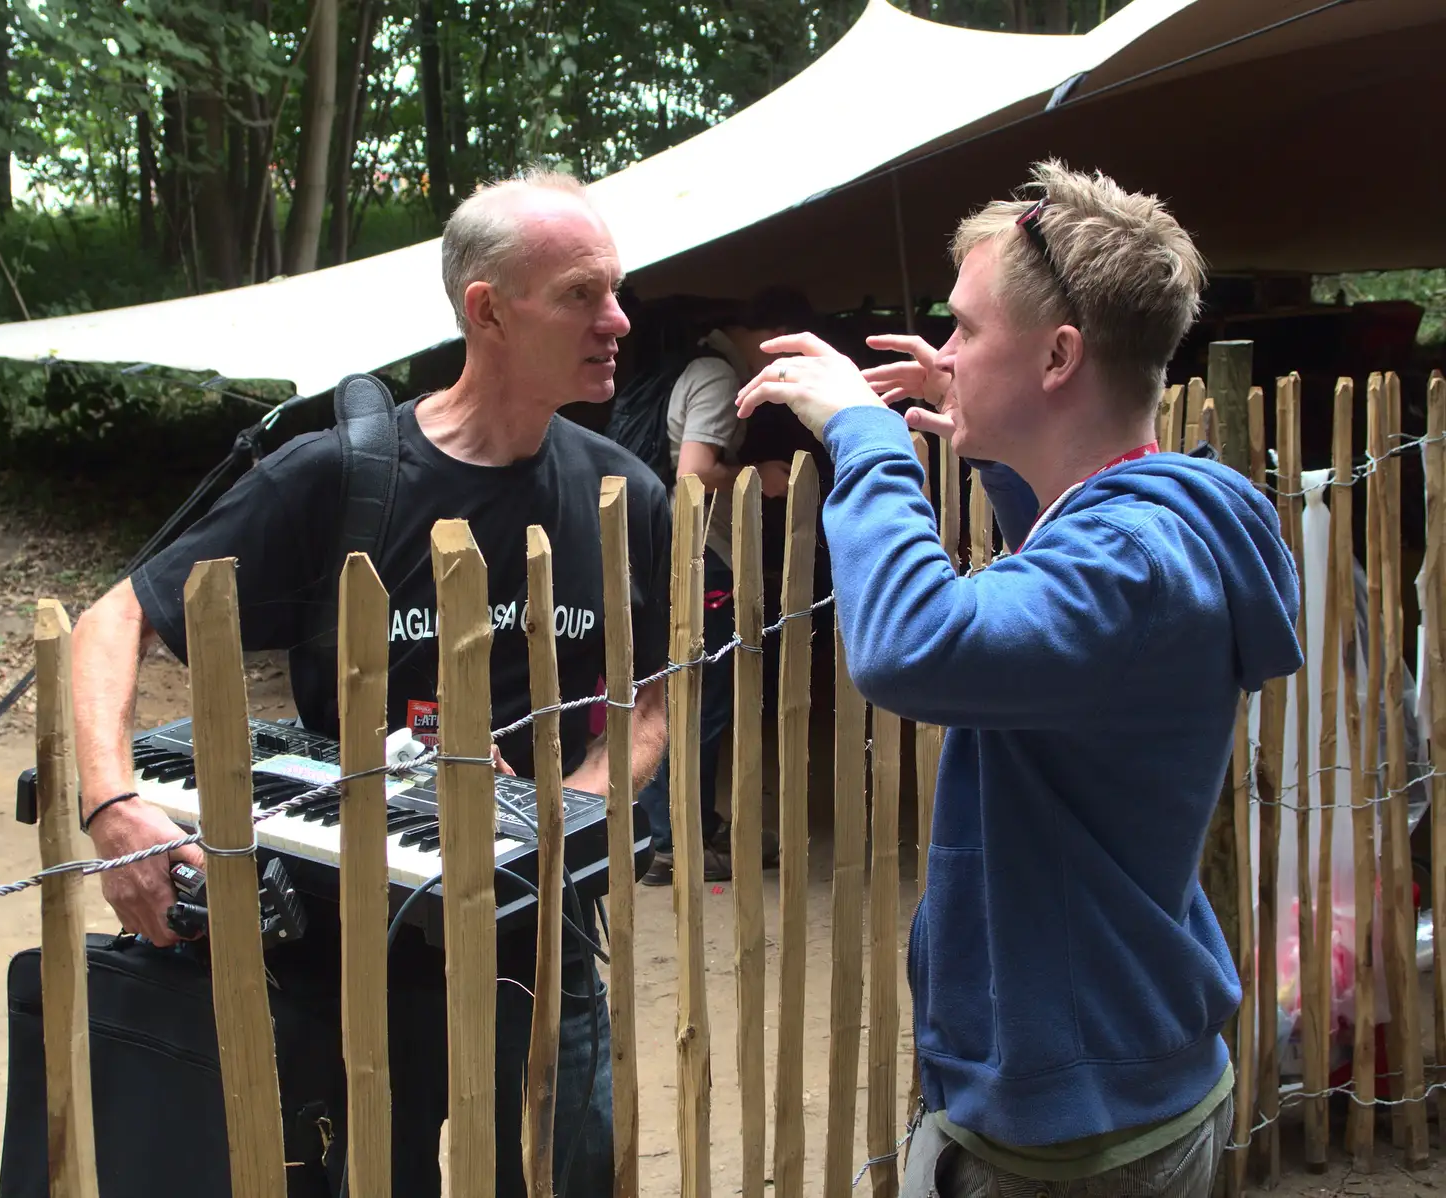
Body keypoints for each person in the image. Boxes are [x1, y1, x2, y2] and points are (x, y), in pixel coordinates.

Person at [69, 168, 671, 1197]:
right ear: (487, 309)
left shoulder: (625, 493)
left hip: (541, 952)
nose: (616, 319)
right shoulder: (344, 475)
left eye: (614, 290)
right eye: (580, 293)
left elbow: (654, 700)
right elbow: (113, 617)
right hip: (344, 957)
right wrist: (112, 804)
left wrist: (562, 812)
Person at [735, 161, 1301, 1197]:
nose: (944, 354)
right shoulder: (1145, 524)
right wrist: (999, 451)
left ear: (1058, 355)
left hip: (1073, 1137)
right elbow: (1060, 604)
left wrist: (864, 443)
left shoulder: (1133, 562)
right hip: (1118, 1075)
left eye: (964, 330)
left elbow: (918, 645)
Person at [637, 287, 811, 885]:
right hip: (701, 556)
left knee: (682, 693)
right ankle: (671, 843)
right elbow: (694, 471)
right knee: (700, 702)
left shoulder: (701, 367)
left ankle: (689, 828)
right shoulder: (716, 375)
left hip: (688, 554)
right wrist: (757, 475)